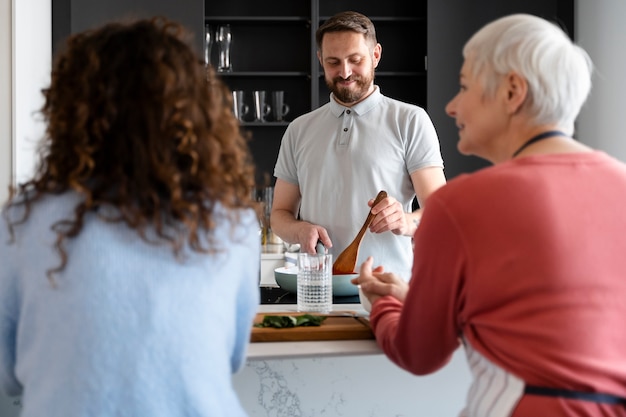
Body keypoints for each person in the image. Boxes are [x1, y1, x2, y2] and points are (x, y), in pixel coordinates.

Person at [356, 13, 626, 416]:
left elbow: (419, 353)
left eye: (465, 86)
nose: (451, 105)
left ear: (512, 91)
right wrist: (411, 298)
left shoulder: (460, 204)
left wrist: (383, 305)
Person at [0, 17, 260, 417]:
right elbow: (231, 358)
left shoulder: (21, 221)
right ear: (195, 116)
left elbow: (9, 372)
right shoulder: (230, 224)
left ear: (71, 113)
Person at [271, 11, 446, 280]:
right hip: (317, 288)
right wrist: (299, 230)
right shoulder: (299, 129)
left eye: (355, 60)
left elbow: (442, 212)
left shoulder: (410, 120)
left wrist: (405, 221)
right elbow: (280, 214)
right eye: (333, 62)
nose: (345, 72)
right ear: (320, 60)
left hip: (389, 290)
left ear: (376, 55)